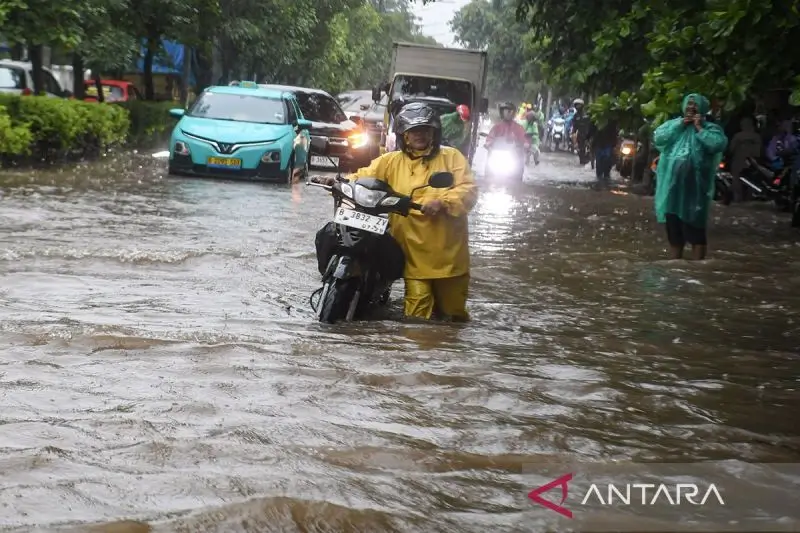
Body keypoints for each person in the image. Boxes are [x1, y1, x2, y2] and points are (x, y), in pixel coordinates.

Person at [314, 102, 478, 321]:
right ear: (404, 136)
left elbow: (469, 190)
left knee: (454, 315)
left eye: (424, 130)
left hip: (449, 257)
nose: (419, 135)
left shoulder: (453, 158)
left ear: (434, 133)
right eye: (413, 131)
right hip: (413, 257)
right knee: (417, 321)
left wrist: (442, 201)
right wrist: (335, 182)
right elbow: (363, 176)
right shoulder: (391, 161)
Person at [652, 93, 727, 260]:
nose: (691, 108)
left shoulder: (710, 129)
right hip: (671, 189)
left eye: (695, 105)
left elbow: (717, 144)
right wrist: (679, 124)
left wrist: (699, 128)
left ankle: (698, 268)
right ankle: (676, 265)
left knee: (695, 229)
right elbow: (658, 137)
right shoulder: (673, 125)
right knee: (674, 230)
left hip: (695, 191)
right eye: (689, 104)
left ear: (702, 108)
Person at [728, 117, 762, 202]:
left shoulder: (738, 136)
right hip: (752, 163)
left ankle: (738, 199)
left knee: (736, 181)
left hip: (738, 161)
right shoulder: (756, 136)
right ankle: (749, 198)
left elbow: (731, 149)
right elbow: (758, 152)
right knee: (752, 182)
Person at [585, 118, 618, 183]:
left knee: (607, 160)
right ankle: (601, 178)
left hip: (607, 144)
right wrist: (588, 138)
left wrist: (614, 143)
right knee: (600, 162)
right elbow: (591, 130)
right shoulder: (595, 120)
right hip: (599, 143)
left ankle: (605, 176)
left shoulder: (611, 120)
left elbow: (615, 132)